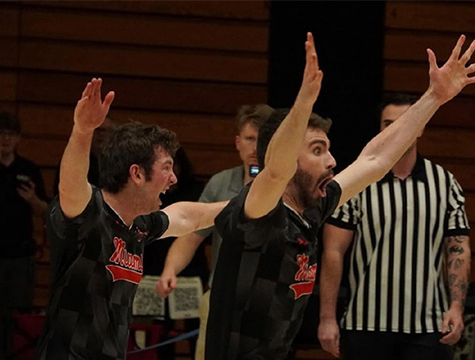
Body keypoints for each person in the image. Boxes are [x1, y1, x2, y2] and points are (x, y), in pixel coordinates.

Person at [204, 32, 475, 360]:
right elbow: (275, 171)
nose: (332, 161)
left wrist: (434, 97)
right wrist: (303, 105)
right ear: (288, 159)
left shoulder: (310, 211)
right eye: (318, 150)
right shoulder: (259, 212)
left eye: (328, 150)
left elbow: (374, 161)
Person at [35, 78, 227, 360]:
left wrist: (251, 201)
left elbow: (188, 216)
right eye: (166, 168)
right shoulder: (89, 214)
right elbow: (70, 185)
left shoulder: (139, 226)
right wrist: (83, 130)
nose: (173, 179)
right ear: (137, 174)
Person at [317, 92, 471, 360]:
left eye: (407, 121)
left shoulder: (445, 183)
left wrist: (457, 307)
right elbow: (333, 251)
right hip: (364, 324)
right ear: (380, 129)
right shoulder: (357, 181)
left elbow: (458, 248)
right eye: (389, 123)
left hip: (428, 327)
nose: (398, 129)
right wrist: (327, 318)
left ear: (421, 125)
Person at [156, 103, 273, 360]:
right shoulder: (221, 183)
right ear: (238, 142)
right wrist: (170, 269)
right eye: (250, 139)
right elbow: (192, 236)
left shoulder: (284, 186)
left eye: (262, 139)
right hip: (220, 297)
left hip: (265, 302)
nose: (255, 148)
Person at [0, 111, 48, 359]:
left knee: (18, 316)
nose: (5, 139)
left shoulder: (27, 169)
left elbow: (47, 211)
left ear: (18, 138)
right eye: (1, 134)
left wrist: (32, 200)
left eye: (10, 134)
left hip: (19, 256)